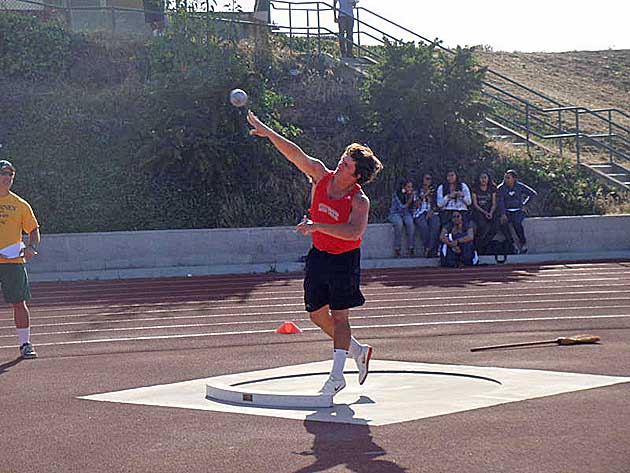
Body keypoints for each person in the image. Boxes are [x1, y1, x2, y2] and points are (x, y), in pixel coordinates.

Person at [246, 111, 383, 396]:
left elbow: (353, 233)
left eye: (346, 164)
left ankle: (336, 376)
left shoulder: (359, 200)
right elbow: (296, 155)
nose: (340, 164)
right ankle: (358, 351)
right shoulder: (321, 175)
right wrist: (269, 133)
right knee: (317, 315)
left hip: (344, 260)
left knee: (340, 317)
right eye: (342, 159)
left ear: (356, 174)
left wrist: (317, 225)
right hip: (319, 255)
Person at [0, 160, 40, 359]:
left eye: (10, 175)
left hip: (12, 262)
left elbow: (33, 229)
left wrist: (32, 247)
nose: (7, 178)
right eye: (3, 174)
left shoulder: (20, 204)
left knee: (19, 302)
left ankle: (25, 343)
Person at [497, 169, 537, 254]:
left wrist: (524, 204)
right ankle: (512, 244)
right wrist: (503, 213)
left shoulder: (519, 186)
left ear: (514, 179)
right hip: (506, 211)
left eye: (508, 178)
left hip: (518, 210)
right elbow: (500, 202)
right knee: (502, 224)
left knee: (516, 222)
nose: (506, 180)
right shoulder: (501, 188)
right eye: (505, 178)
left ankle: (523, 243)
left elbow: (532, 193)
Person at [471, 171, 499, 255]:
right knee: (482, 225)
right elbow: (475, 204)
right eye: (481, 178)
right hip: (479, 211)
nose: (483, 180)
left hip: (490, 210)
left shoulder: (492, 188)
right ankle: (477, 246)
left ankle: (484, 244)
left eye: (485, 178)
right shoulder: (475, 188)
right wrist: (484, 212)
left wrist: (490, 212)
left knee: (496, 226)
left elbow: (494, 203)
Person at [388, 179, 416, 257]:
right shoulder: (397, 194)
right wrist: (410, 200)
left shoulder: (412, 195)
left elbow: (413, 208)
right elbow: (401, 207)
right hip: (395, 213)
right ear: (403, 187)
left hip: (406, 214)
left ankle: (411, 248)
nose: (410, 189)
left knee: (410, 224)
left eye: (411, 187)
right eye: (408, 187)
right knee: (399, 224)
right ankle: (397, 249)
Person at [413, 173, 440, 258]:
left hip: (431, 212)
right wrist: (424, 195)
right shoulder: (417, 191)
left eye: (429, 179)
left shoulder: (434, 191)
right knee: (423, 226)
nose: (428, 181)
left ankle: (429, 249)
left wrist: (432, 211)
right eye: (426, 179)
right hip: (419, 212)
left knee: (435, 225)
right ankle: (430, 249)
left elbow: (437, 204)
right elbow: (416, 205)